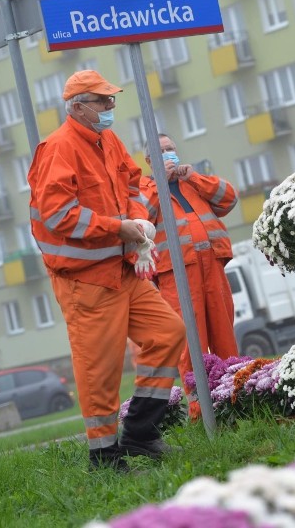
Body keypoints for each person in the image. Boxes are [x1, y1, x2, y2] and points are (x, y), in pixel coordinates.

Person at [28, 70, 186, 472]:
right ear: (78, 107)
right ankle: (104, 457)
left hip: (121, 270)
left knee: (169, 334)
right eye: (103, 101)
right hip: (85, 281)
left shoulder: (107, 140)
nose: (111, 107)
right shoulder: (58, 148)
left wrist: (138, 221)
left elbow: (133, 186)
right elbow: (59, 215)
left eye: (112, 100)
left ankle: (139, 433)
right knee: (101, 371)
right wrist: (121, 228)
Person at [139, 133, 240, 418]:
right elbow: (140, 217)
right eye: (161, 152)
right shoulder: (144, 189)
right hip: (177, 274)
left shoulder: (192, 181)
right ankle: (201, 411)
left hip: (212, 265)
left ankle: (236, 400)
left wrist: (193, 177)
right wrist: (161, 183)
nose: (169, 154)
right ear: (149, 161)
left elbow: (229, 197)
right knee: (191, 344)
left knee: (224, 335)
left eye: (171, 148)